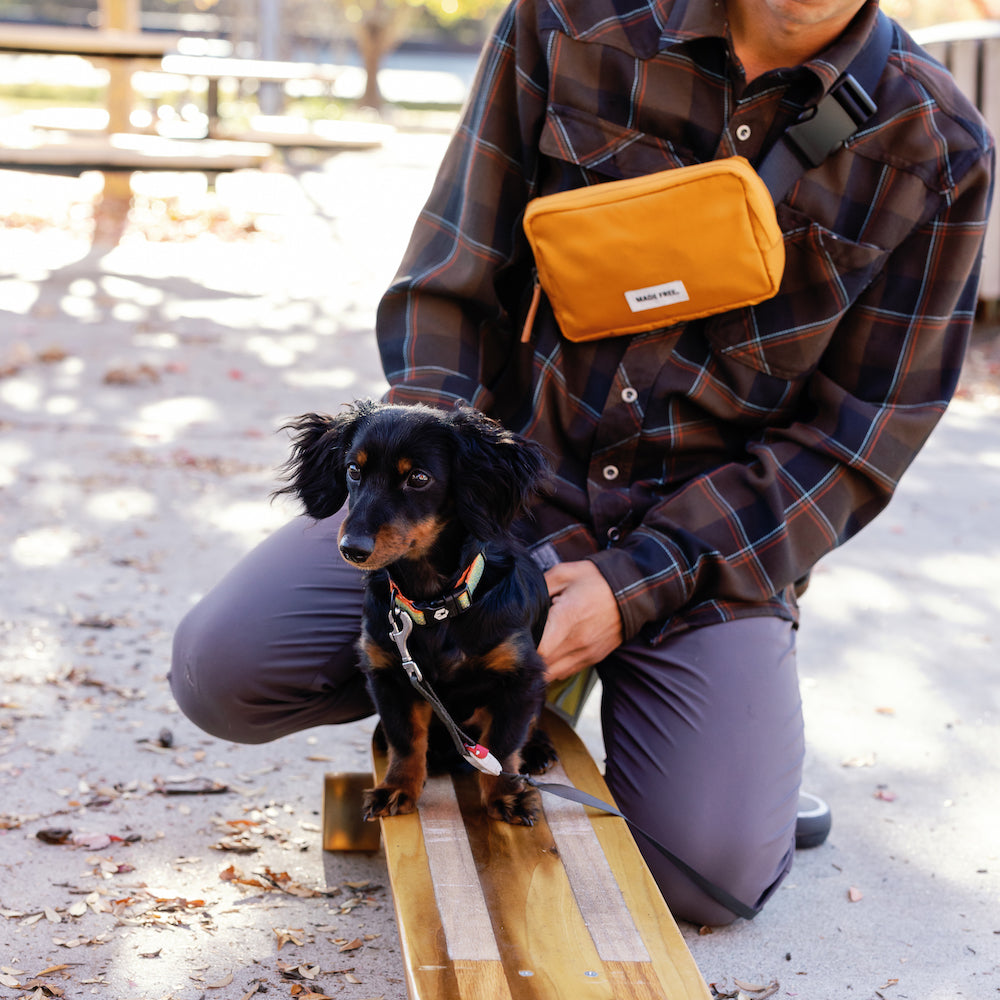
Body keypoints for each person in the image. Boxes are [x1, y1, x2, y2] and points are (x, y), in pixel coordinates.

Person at [171, 0, 994, 926]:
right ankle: (502, 671)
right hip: (502, 493)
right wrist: (453, 512)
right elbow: (451, 278)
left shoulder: (938, 146)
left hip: (701, 551)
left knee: (707, 873)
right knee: (224, 671)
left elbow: (852, 444)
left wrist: (634, 582)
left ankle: (707, 746)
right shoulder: (568, 18)